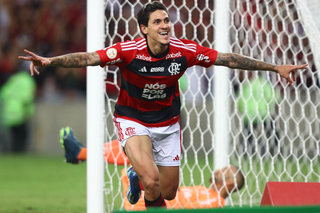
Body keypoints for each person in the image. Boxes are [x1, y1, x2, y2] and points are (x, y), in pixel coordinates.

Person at [18, 1, 307, 209]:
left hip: (168, 124)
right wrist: (51, 61)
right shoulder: (128, 52)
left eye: (166, 20)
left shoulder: (184, 51)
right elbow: (89, 57)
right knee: (152, 182)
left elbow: (227, 58)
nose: (165, 25)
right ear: (144, 28)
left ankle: (136, 176)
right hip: (132, 118)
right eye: (157, 22)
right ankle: (137, 174)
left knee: (167, 193)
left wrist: (274, 67)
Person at [59, 126, 245, 210]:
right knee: (139, 146)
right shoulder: (203, 191)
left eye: (225, 172)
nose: (218, 170)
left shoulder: (217, 204)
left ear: (230, 183)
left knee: (144, 150)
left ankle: (80, 153)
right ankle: (81, 153)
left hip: (150, 206)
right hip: (145, 198)